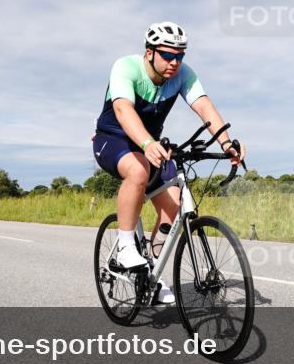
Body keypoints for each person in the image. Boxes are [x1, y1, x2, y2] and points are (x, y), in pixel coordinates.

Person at [92, 22, 245, 305]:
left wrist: (227, 143)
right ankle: (126, 247)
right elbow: (123, 109)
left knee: (174, 206)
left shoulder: (183, 74)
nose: (175, 62)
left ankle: (150, 267)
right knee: (137, 170)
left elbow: (204, 106)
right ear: (149, 53)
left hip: (151, 144)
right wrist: (148, 144)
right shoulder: (126, 67)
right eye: (167, 55)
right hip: (112, 140)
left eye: (180, 56)